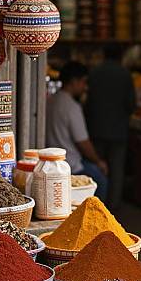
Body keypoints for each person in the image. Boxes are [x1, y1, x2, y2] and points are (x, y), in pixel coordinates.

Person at [46, 61, 108, 201]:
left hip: (52, 162)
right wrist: (99, 162)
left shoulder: (50, 101)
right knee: (101, 180)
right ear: (74, 82)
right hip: (71, 164)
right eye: (83, 82)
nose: (85, 87)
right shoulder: (72, 107)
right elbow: (83, 142)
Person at [86, 44, 136, 210]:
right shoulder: (125, 74)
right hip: (118, 132)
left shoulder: (94, 73)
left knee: (97, 168)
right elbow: (131, 104)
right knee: (116, 171)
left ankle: (96, 207)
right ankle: (112, 209)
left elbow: (87, 102)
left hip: (96, 129)